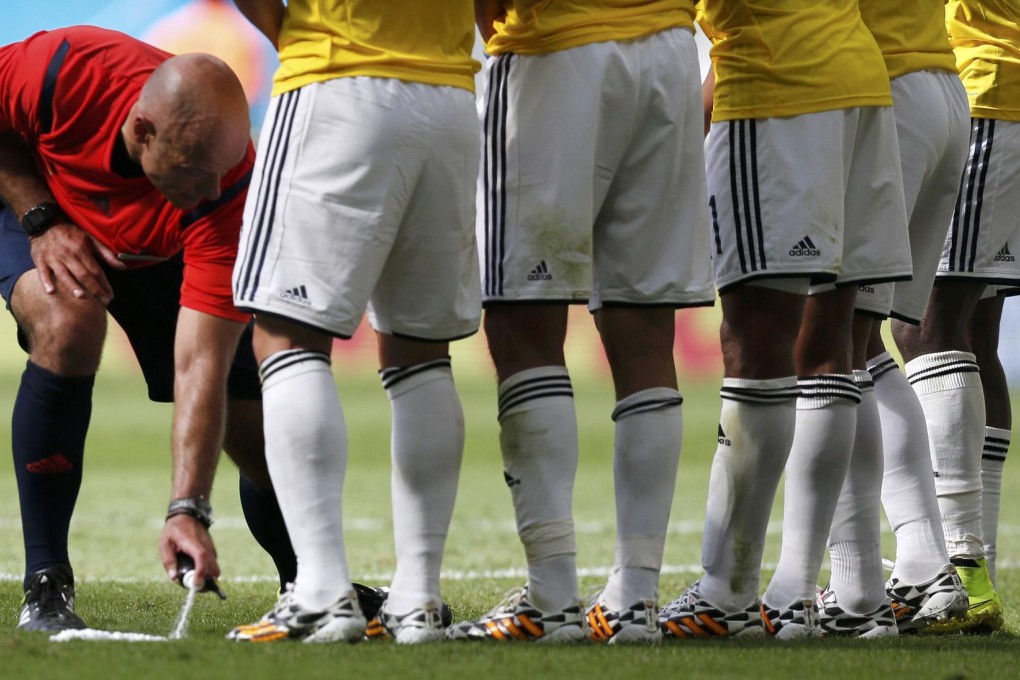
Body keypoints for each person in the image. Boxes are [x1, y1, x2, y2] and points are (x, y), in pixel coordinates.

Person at [0, 25, 300, 631]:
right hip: (35, 205)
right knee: (68, 319)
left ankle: (311, 584)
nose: (208, 191)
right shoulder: (61, 69)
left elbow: (200, 362)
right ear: (142, 130)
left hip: (153, 250)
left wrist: (187, 507)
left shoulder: (222, 196)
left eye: (219, 173)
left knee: (258, 433)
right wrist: (40, 217)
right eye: (193, 173)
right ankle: (46, 582)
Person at [446, 0, 714, 645]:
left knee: (520, 319)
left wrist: (504, 38)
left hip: (556, 46)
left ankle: (554, 599)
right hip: (669, 53)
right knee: (645, 327)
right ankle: (635, 600)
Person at [227, 0, 481, 644]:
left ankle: (320, 592)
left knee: (284, 332)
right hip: (451, 94)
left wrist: (292, 37)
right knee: (421, 352)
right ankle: (418, 601)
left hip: (339, 73)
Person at [658, 1, 910, 639]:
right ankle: (846, 595)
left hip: (778, 82)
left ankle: (726, 592)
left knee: (756, 335)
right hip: (860, 80)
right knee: (835, 350)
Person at [827, 0, 971, 635]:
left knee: (826, 346)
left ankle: (853, 589)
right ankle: (922, 562)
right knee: (865, 345)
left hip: (882, 87)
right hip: (941, 82)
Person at [889, 0, 1020, 633]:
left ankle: (959, 563)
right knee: (972, 333)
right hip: (995, 90)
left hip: (988, 89)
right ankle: (975, 568)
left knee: (924, 326)